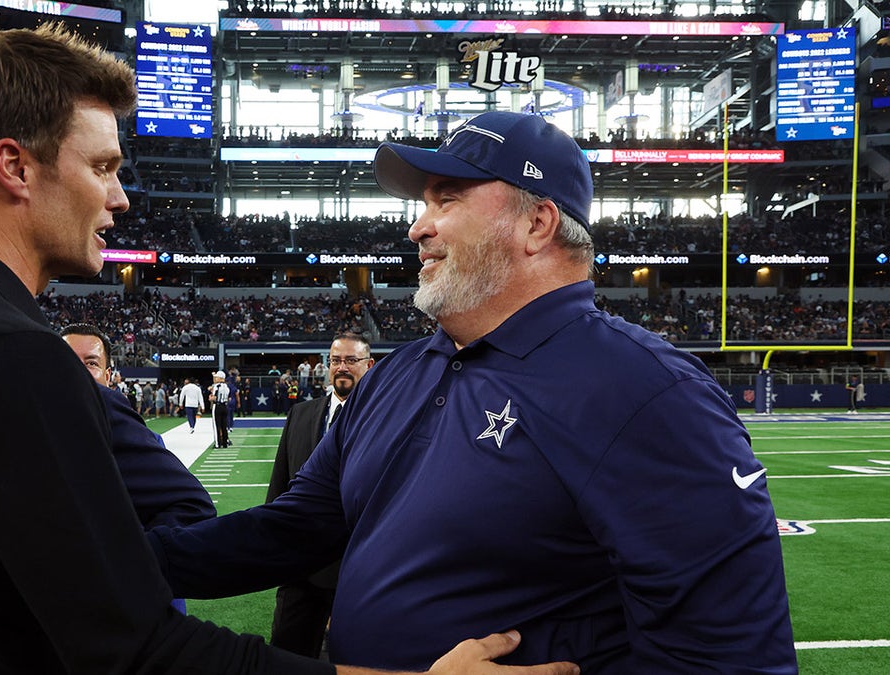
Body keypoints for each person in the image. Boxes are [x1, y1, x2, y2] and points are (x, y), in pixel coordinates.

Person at [0, 25, 546, 675]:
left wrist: (116, 555)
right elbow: (138, 651)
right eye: (102, 167)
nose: (120, 197)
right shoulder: (7, 349)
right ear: (15, 166)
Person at [149, 111, 796, 672]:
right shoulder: (400, 373)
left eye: (447, 198)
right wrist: (127, 559)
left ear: (538, 222)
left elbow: (730, 654)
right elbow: (297, 527)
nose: (417, 227)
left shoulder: (648, 393)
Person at [266, 333, 373, 659]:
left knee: (357, 660)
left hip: (362, 571)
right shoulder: (301, 414)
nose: (342, 367)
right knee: (288, 655)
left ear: (369, 366)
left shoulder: (390, 418)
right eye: (336, 361)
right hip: (302, 568)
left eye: (351, 361)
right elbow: (280, 485)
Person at [59, 323, 216, 529]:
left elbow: (191, 505)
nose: (78, 371)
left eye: (91, 363)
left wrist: (133, 549)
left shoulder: (137, 438)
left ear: (107, 377)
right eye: (67, 361)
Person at [208, 370, 231, 449]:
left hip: (217, 406)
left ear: (220, 378)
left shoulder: (216, 386)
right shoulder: (227, 387)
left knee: (216, 425)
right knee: (224, 425)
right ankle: (225, 443)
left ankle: (217, 444)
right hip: (225, 406)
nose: (215, 378)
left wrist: (210, 398)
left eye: (217, 377)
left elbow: (213, 397)